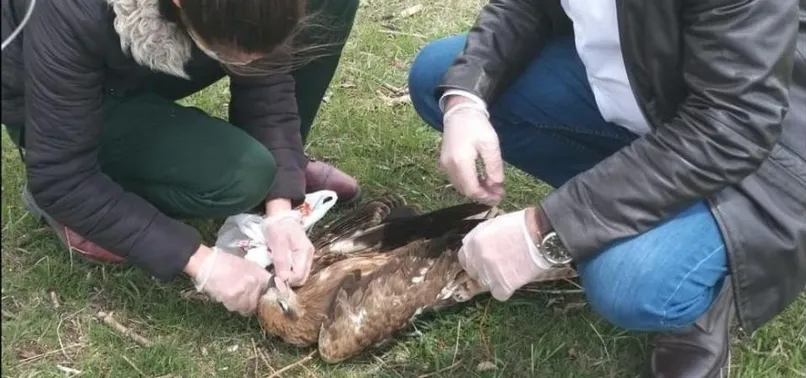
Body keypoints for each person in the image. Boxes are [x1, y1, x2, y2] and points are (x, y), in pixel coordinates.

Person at [408, 0, 805, 376]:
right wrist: (466, 100)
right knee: (441, 76)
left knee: (629, 281)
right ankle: (631, 199)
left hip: (768, 145)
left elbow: (735, 123)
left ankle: (708, 283)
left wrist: (547, 229)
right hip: (653, 91)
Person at [1, 0, 361, 316]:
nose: (252, 64)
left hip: (155, 45)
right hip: (53, 91)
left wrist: (281, 206)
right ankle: (94, 190)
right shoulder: (70, 10)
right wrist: (202, 263)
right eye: (237, 56)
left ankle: (285, 160)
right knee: (244, 173)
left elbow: (263, 60)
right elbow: (61, 178)